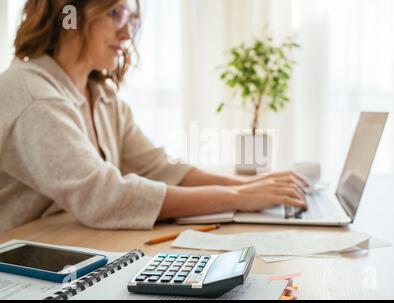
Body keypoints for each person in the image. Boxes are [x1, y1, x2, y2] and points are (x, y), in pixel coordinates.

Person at [0, 0, 307, 234]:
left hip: (68, 248)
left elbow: (158, 167)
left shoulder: (103, 98)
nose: (127, 32)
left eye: (132, 20)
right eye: (115, 14)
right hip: (20, 269)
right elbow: (105, 198)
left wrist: (249, 185)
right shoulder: (34, 96)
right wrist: (239, 195)